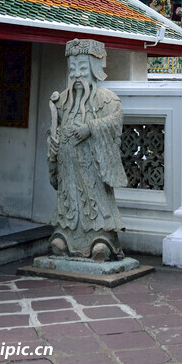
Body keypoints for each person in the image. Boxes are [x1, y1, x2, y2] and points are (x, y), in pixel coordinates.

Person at [47, 38, 127, 262]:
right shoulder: (62, 100)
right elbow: (53, 129)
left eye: (82, 68)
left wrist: (89, 129)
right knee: (68, 202)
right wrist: (52, 143)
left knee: (96, 200)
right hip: (68, 168)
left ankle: (102, 240)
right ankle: (65, 237)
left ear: (94, 68)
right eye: (72, 69)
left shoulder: (108, 100)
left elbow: (115, 122)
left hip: (93, 167)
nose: (77, 75)